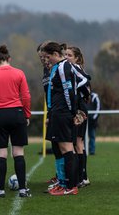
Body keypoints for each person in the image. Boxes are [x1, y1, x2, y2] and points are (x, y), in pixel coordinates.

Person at [0, 45, 31, 198]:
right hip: (17, 113)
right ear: (9, 59)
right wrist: (27, 115)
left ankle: (0, 190)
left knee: (1, 153)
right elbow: (26, 96)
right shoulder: (19, 73)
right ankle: (23, 189)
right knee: (18, 152)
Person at [42, 42, 79, 196]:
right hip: (58, 112)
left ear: (56, 54)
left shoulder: (64, 67)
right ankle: (64, 183)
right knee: (64, 149)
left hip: (63, 113)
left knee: (67, 149)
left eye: (48, 57)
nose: (47, 60)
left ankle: (70, 186)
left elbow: (69, 91)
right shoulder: (59, 67)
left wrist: (72, 112)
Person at [65, 46, 91, 188]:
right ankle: (83, 176)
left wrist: (75, 91)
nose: (66, 57)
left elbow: (86, 80)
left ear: (76, 58)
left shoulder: (74, 67)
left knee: (78, 143)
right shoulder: (72, 68)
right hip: (78, 106)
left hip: (80, 108)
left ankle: (81, 177)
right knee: (77, 143)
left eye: (69, 55)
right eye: (65, 54)